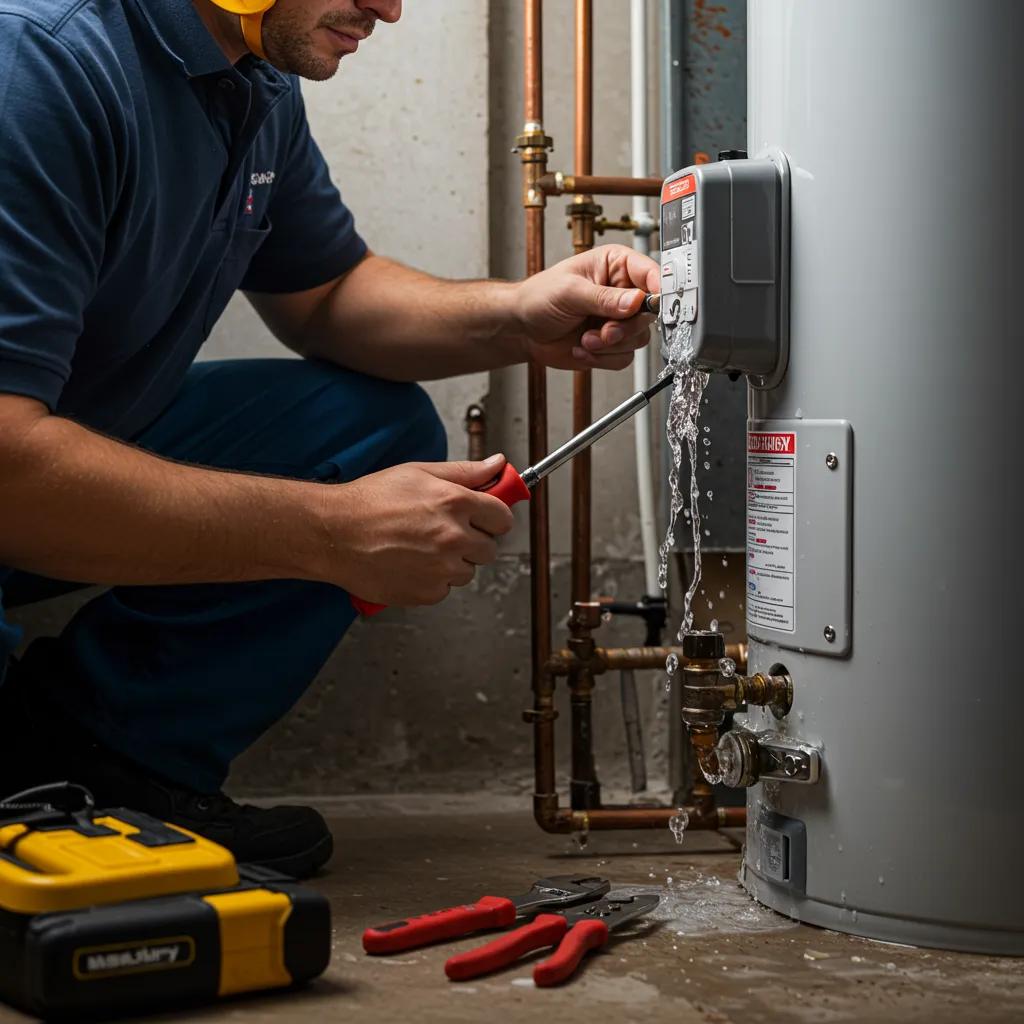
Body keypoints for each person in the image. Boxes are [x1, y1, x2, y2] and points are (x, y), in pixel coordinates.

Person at [0, 0, 660, 878]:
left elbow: (328, 294)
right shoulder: (36, 66)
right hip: (17, 470)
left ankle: (98, 764)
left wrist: (513, 318)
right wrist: (333, 531)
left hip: (52, 459)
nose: (389, 7)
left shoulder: (254, 79)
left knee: (364, 432)